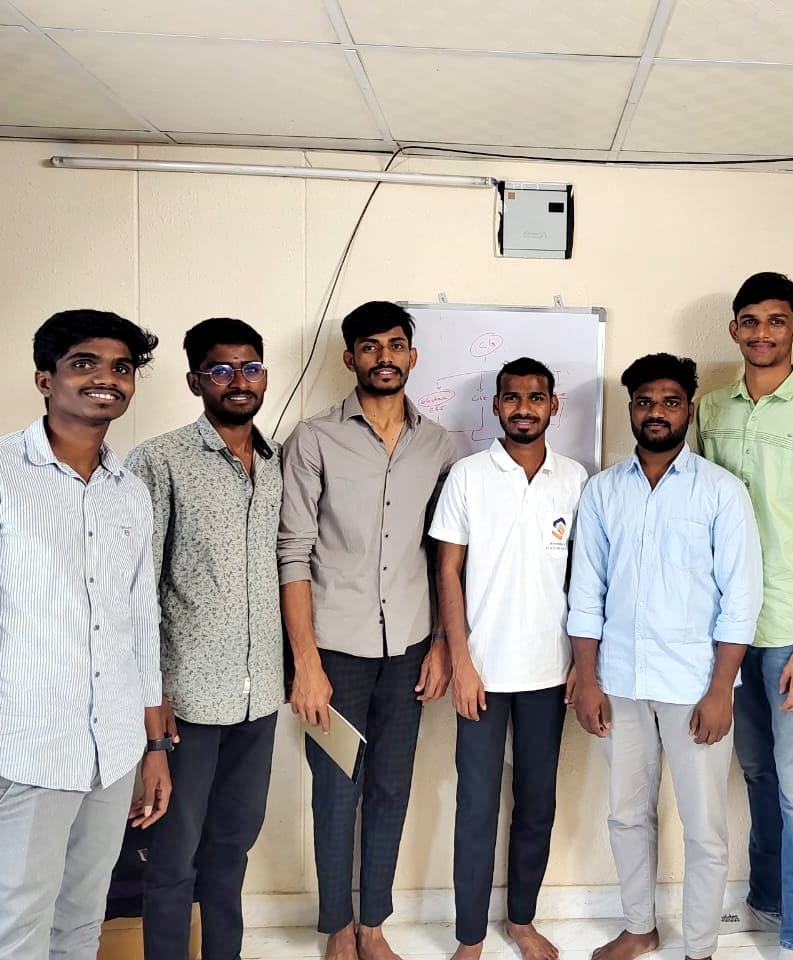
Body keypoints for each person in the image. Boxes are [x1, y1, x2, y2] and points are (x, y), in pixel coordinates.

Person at [0, 309, 169, 959]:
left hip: (113, 752)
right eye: (84, 363)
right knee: (16, 934)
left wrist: (153, 746)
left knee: (81, 925)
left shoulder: (129, 492)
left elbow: (140, 621)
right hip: (25, 753)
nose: (107, 379)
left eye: (121, 368)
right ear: (46, 379)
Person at [568, 353, 763, 960]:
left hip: (696, 685)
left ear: (689, 409)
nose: (657, 412)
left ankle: (699, 947)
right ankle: (639, 927)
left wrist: (720, 690)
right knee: (627, 815)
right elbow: (585, 592)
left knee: (704, 826)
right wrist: (588, 679)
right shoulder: (602, 491)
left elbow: (741, 599)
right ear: (631, 409)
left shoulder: (721, 492)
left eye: (670, 402)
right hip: (620, 682)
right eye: (645, 401)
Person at [279, 300, 456, 960]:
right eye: (370, 346)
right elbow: (292, 553)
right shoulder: (313, 439)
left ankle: (373, 926)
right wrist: (305, 663)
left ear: (412, 355)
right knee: (335, 791)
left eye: (396, 344)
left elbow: (445, 556)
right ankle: (336, 927)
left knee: (390, 788)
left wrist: (441, 643)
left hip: (409, 647)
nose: (385, 357)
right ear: (349, 357)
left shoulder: (438, 445)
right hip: (334, 651)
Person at [696, 272, 793, 957]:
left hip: (792, 629)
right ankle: (765, 897)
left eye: (776, 321)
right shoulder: (709, 409)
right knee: (757, 774)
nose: (762, 333)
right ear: (734, 328)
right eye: (751, 321)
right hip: (727, 631)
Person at [126, 317, 284, 960]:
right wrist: (154, 701)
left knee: (232, 848)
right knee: (172, 857)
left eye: (250, 367)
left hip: (259, 696)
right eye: (221, 370)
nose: (238, 381)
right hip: (187, 701)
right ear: (196, 382)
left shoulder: (276, 463)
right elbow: (135, 590)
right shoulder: (159, 461)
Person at [431, 356, 588, 960]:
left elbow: (584, 578)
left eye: (536, 397)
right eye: (512, 398)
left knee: (537, 802)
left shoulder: (575, 479)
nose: (524, 408)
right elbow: (447, 570)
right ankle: (470, 936)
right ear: (496, 406)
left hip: (550, 673)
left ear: (553, 406)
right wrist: (461, 661)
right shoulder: (468, 475)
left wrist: (581, 663)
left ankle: (521, 920)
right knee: (475, 805)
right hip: (483, 673)